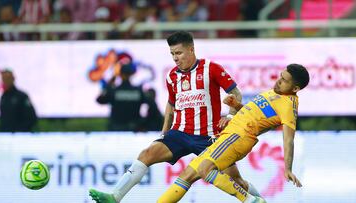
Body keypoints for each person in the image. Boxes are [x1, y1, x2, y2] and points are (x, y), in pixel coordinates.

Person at [89, 31, 260, 203]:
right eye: (172, 54)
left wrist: (230, 116)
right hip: (180, 133)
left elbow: (235, 92)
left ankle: (258, 199)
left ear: (191, 50)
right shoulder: (171, 76)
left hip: (209, 136)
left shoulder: (211, 68)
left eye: (178, 53)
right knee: (147, 154)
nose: (175, 58)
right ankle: (115, 196)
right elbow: (171, 105)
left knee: (235, 180)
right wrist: (164, 133)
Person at [157, 64, 310, 203]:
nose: (278, 81)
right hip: (228, 135)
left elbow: (288, 139)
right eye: (280, 76)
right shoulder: (278, 93)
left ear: (295, 88)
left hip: (238, 137)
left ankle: (250, 200)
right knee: (188, 175)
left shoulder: (289, 106)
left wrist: (288, 168)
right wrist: (236, 105)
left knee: (205, 169)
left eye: (284, 80)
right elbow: (255, 114)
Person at [96, 62, 147, 131]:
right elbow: (150, 103)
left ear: (120, 75)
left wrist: (109, 84)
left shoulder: (113, 91)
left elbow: (99, 100)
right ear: (131, 74)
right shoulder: (138, 91)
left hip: (116, 129)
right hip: (134, 129)